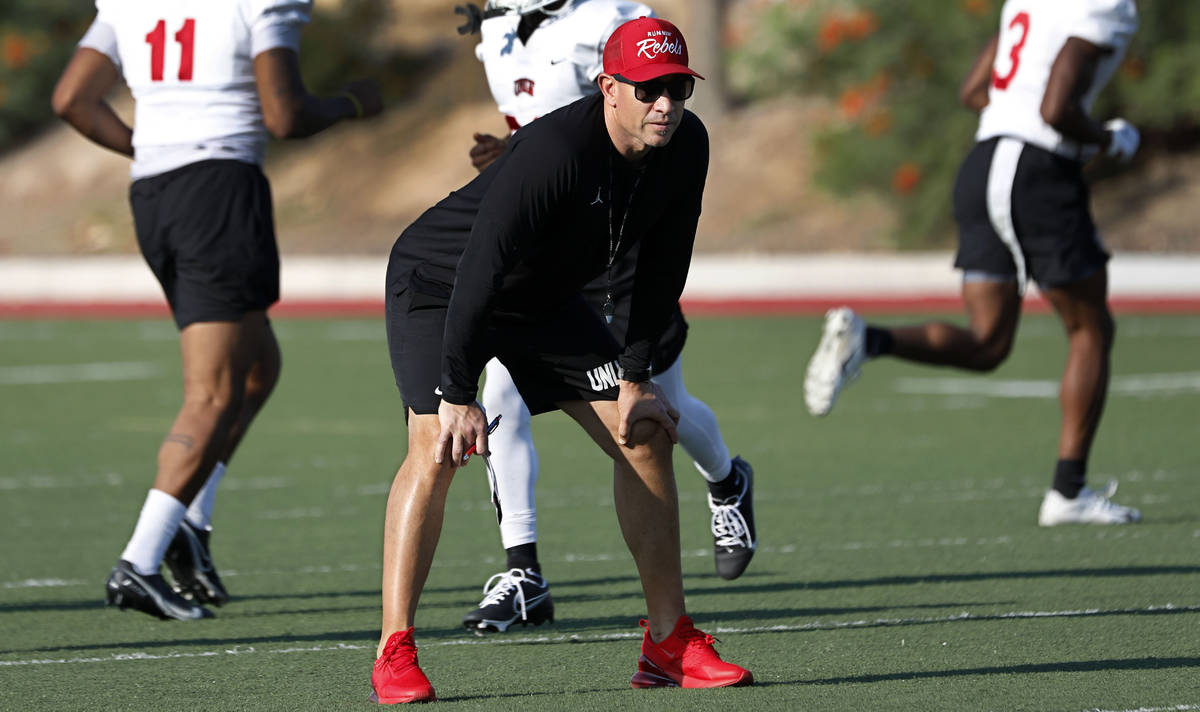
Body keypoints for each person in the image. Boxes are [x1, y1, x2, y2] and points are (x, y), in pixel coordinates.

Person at [371, 17, 753, 703]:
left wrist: (635, 377)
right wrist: (457, 391)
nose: (665, 104)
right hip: (441, 284)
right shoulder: (555, 149)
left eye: (677, 88)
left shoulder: (685, 144)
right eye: (648, 89)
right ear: (608, 87)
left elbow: (665, 266)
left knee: (644, 435)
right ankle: (395, 649)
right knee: (434, 447)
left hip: (541, 298)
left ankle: (668, 641)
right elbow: (479, 273)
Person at [52, 0, 382, 621]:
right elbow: (285, 115)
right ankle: (140, 562)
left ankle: (188, 519)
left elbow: (72, 98)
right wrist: (355, 103)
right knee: (213, 391)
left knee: (257, 366)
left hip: (156, 192)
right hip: (218, 191)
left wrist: (155, 149)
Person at [454, 0, 757, 636]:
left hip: (617, 237)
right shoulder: (496, 24)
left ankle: (726, 479)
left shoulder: (613, 18)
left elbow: (628, 116)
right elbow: (556, 132)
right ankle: (523, 572)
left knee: (655, 411)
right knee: (501, 398)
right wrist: (515, 158)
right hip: (548, 240)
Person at [803, 0, 1142, 527]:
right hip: (1036, 170)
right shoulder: (1106, 6)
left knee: (988, 343)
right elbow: (1055, 109)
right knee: (1090, 329)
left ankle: (868, 341)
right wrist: (1108, 138)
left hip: (983, 165)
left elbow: (973, 92)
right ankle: (1068, 492)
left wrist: (1022, 118)